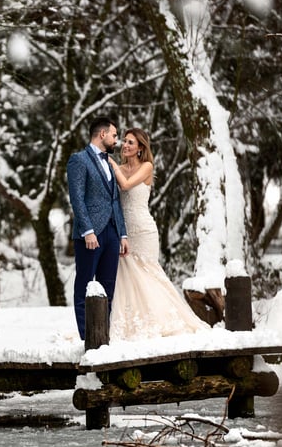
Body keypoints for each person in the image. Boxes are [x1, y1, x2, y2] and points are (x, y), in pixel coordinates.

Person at [107, 128, 209, 341]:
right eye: (124, 141)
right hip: (124, 231)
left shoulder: (146, 167)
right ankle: (133, 323)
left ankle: (163, 321)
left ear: (140, 148)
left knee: (148, 276)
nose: (125, 145)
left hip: (144, 231)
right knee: (127, 279)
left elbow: (125, 185)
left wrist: (112, 165)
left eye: (130, 142)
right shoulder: (119, 167)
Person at [67, 116, 130, 340]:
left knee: (108, 288)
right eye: (114, 135)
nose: (117, 140)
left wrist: (122, 233)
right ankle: (87, 337)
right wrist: (88, 231)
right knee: (84, 284)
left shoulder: (110, 163)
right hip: (90, 235)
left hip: (112, 232)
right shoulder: (78, 160)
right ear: (102, 134)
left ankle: (103, 335)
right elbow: (77, 199)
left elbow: (115, 200)